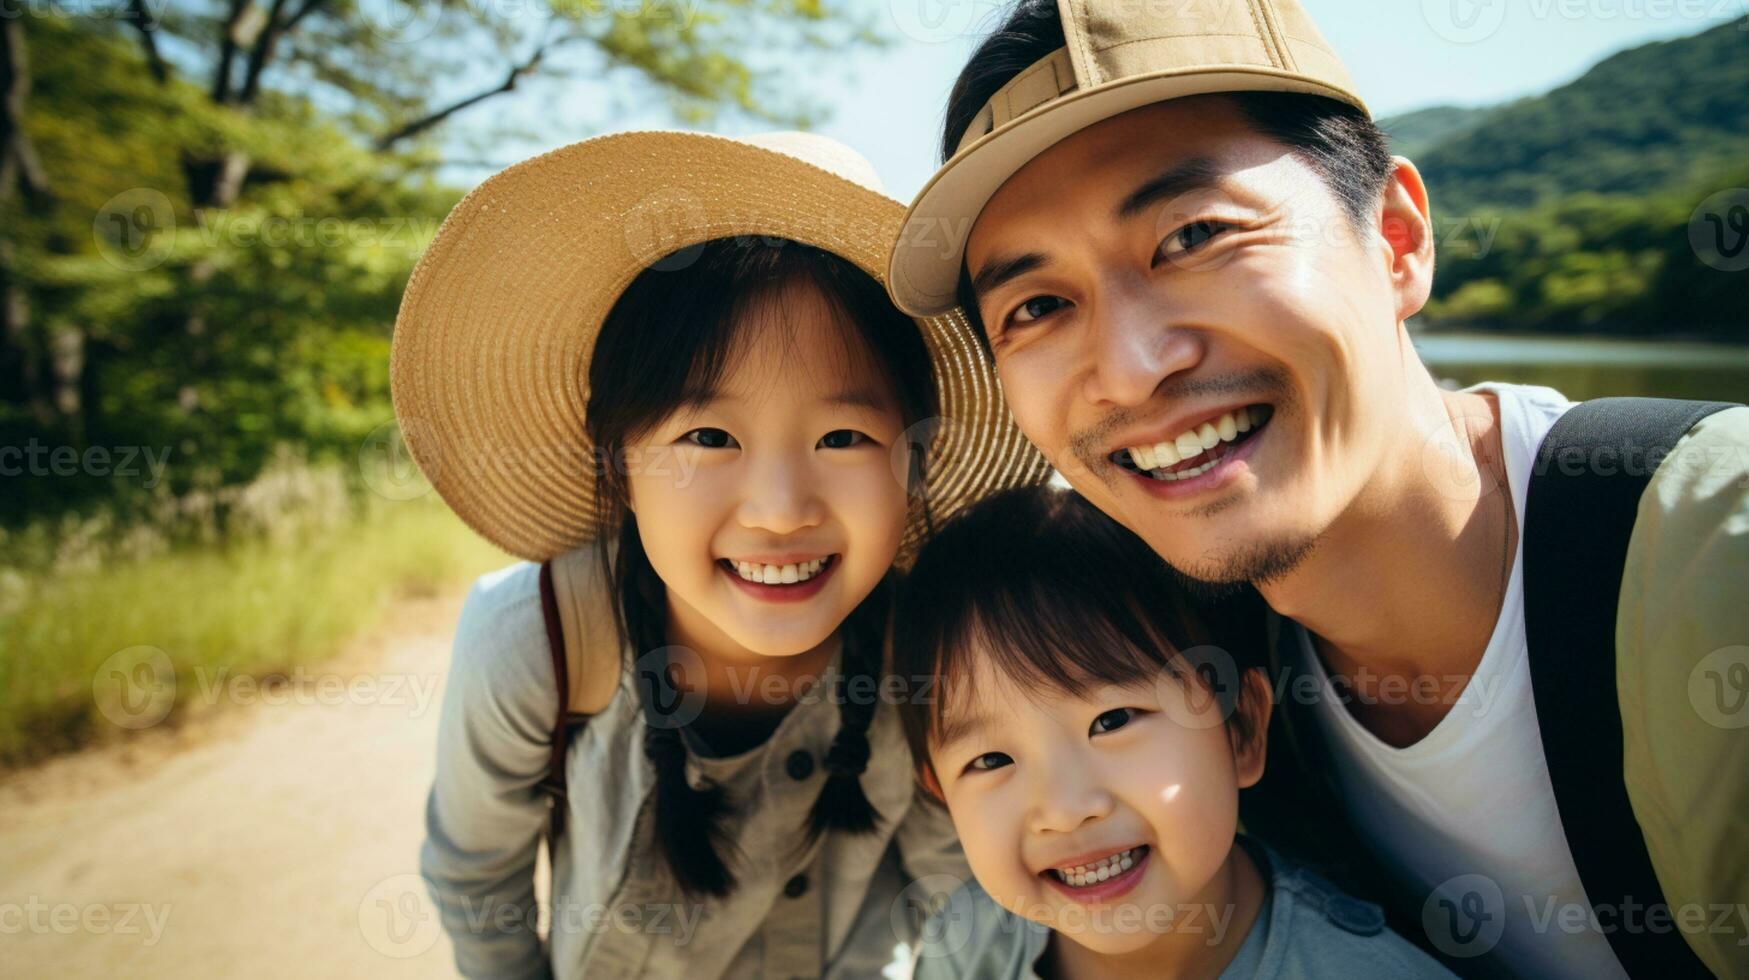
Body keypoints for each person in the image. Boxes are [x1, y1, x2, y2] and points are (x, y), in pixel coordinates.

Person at [885, 2, 1749, 977]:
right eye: (1038, 305)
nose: (1128, 369)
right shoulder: (1171, 634)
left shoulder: (1717, 559)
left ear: (1396, 238)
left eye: (1195, 234)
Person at [391, 130, 1050, 978]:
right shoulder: (539, 642)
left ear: (914, 464)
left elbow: (951, 890)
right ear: (619, 463)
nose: (779, 512)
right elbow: (478, 880)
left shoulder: (929, 652)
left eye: (843, 437)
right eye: (708, 436)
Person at [888, 485, 1456, 979]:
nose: (1064, 809)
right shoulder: (964, 948)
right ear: (940, 793)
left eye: (1111, 722)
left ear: (1241, 729)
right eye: (990, 761)